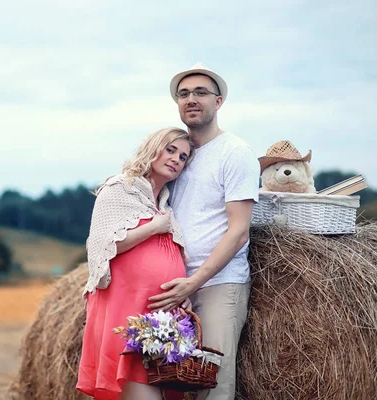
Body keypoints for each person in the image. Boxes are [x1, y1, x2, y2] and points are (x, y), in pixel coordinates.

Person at [148, 63, 260, 400]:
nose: (191, 99)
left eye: (200, 93)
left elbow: (239, 231)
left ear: (219, 101)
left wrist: (194, 283)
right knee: (170, 380)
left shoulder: (235, 153)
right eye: (184, 94)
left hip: (217, 285)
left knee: (214, 384)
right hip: (173, 284)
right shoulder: (177, 155)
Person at [77, 127, 195, 400]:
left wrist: (182, 295)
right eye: (171, 150)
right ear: (154, 148)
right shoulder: (120, 188)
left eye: (184, 157)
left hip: (158, 318)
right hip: (124, 311)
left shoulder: (164, 205)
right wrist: (153, 228)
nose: (177, 159)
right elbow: (101, 248)